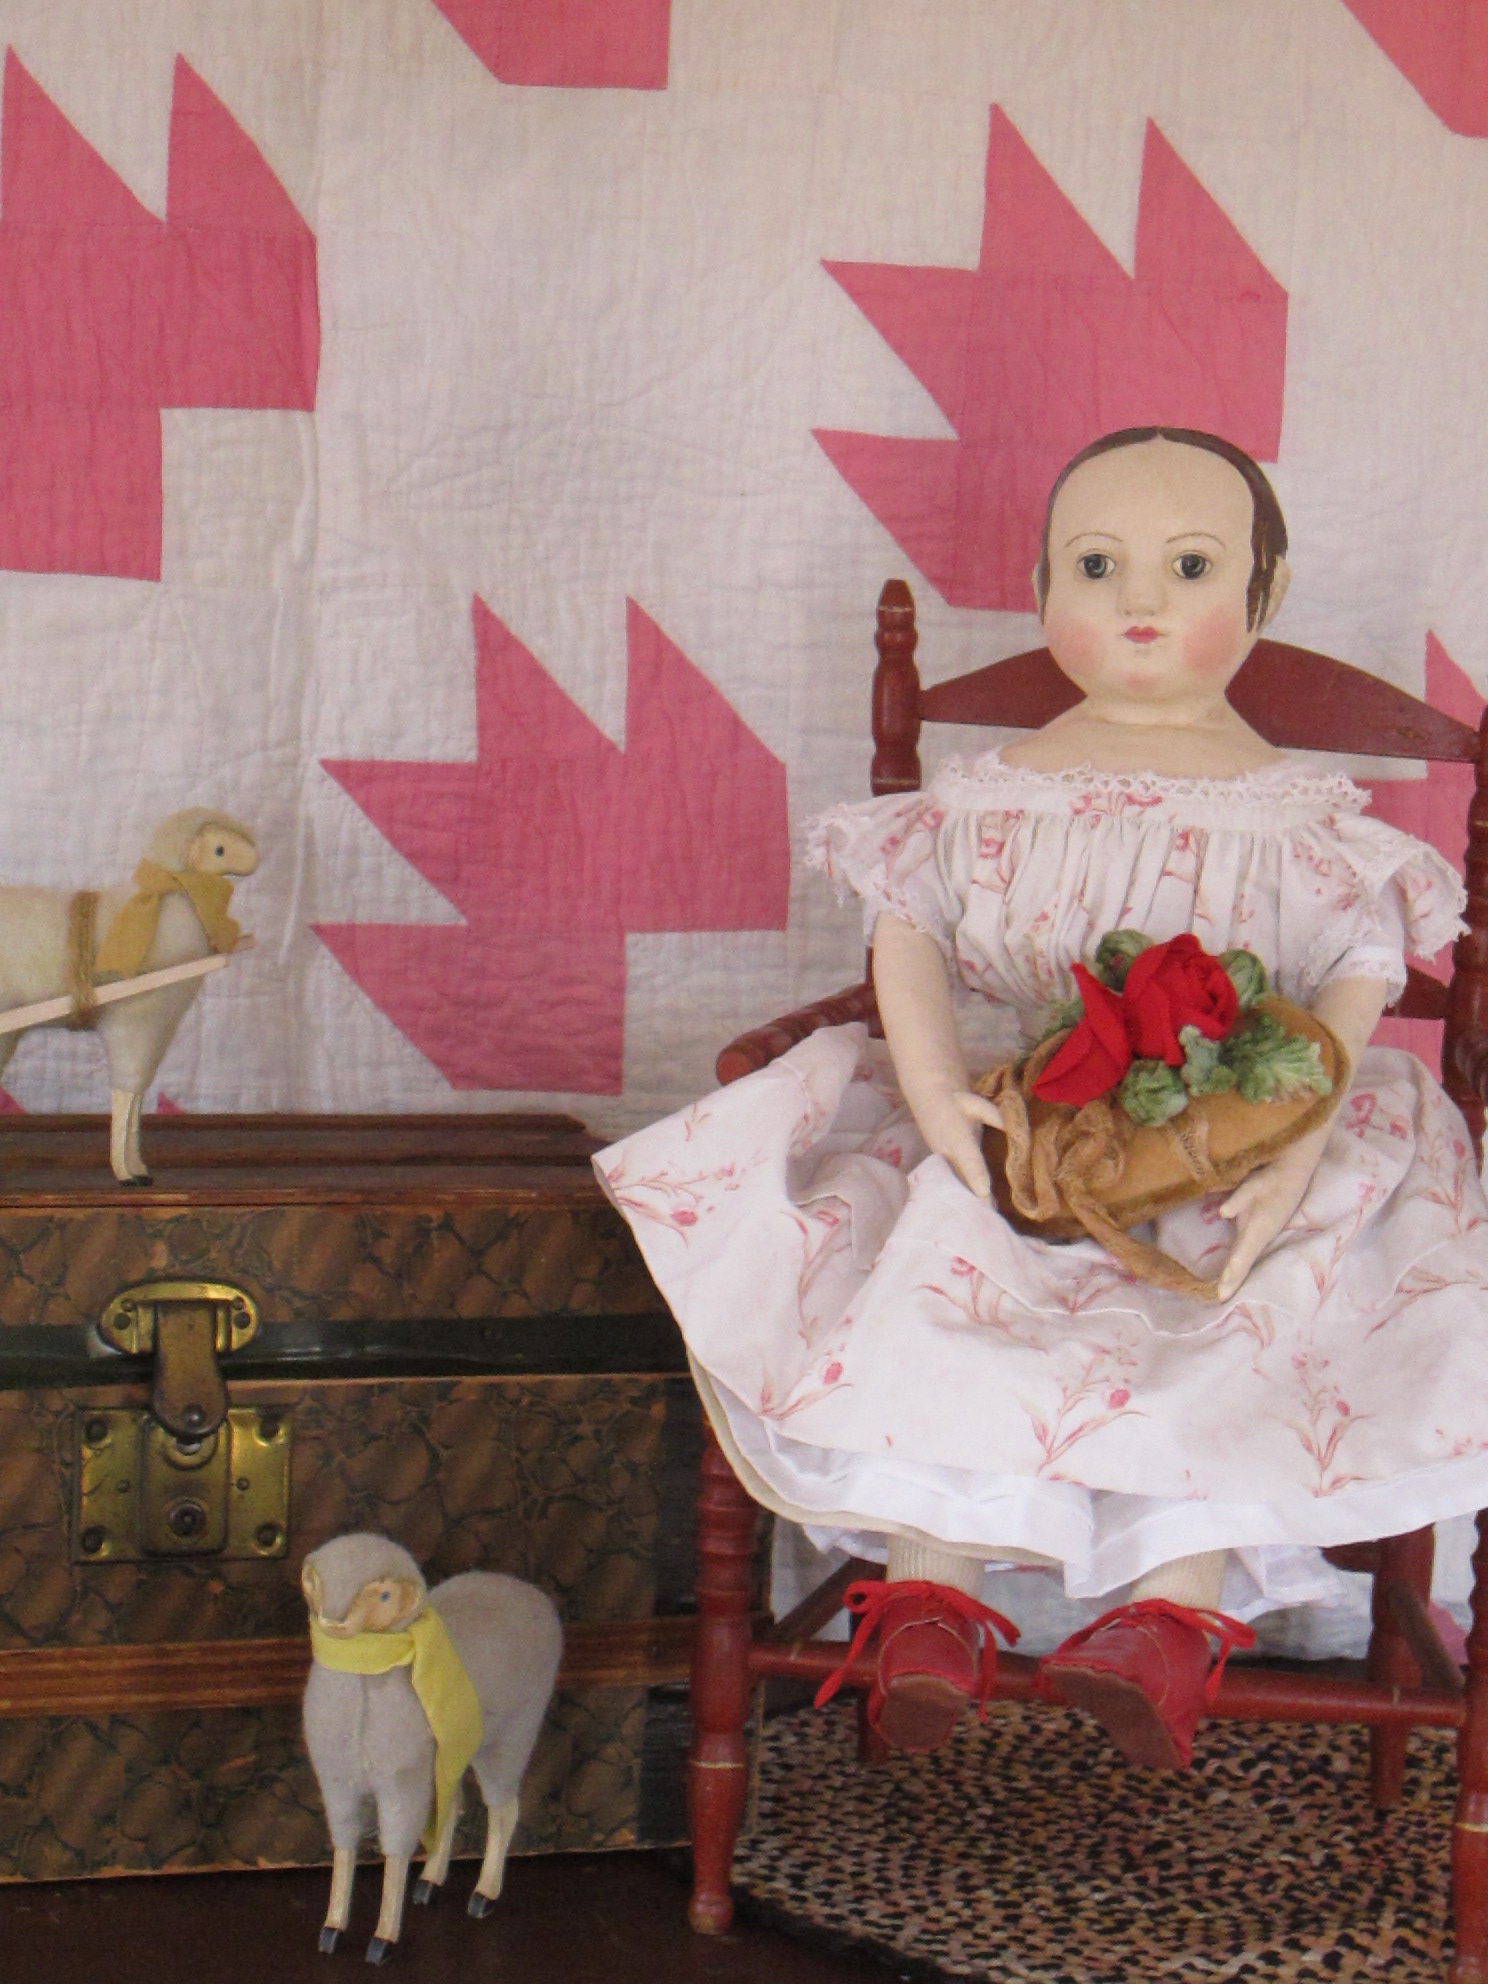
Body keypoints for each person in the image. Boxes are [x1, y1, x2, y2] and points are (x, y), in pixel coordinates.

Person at [595, 427, 1488, 1769]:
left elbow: (1356, 974)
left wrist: (1296, 1153)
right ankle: (929, 1602)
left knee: (1243, 1313)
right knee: (937, 1275)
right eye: (1097, 565)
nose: (1141, 602)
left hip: (1236, 1136)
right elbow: (909, 930)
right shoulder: (989, 799)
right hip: (1030, 1124)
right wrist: (934, 1087)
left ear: (1265, 593)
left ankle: (1168, 1624)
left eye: (1193, 567)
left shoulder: (1300, 819)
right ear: (1039, 588)